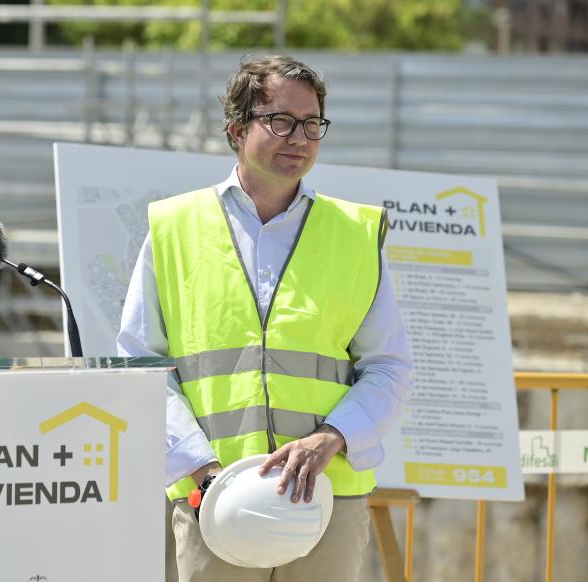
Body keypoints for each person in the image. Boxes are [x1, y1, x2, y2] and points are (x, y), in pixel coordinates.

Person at [118, 54, 412, 581]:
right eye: (280, 120)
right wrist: (200, 469)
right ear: (236, 129)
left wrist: (333, 437)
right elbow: (139, 364)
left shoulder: (356, 233)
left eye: (312, 124)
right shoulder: (173, 227)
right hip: (211, 495)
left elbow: (388, 366)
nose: (298, 137)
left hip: (327, 500)